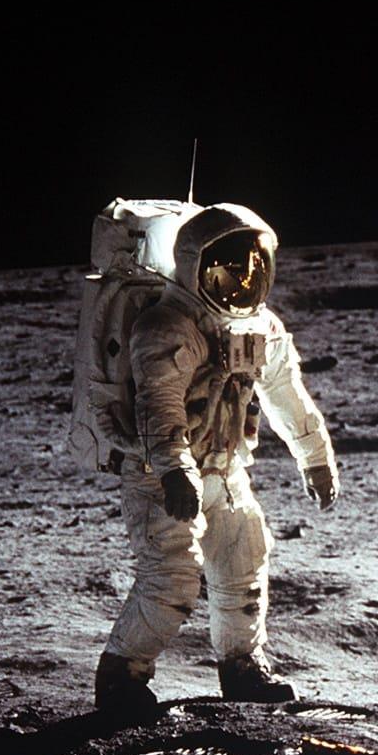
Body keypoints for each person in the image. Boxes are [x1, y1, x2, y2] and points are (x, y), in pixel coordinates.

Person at [94, 202, 338, 719]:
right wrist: (175, 469)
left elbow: (287, 396)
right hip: (160, 475)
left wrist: (316, 459)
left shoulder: (261, 329)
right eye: (228, 265)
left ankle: (243, 665)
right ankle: (122, 677)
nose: (243, 277)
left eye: (253, 264)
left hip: (224, 471)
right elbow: (159, 409)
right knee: (172, 578)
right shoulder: (167, 328)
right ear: (194, 265)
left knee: (244, 555)